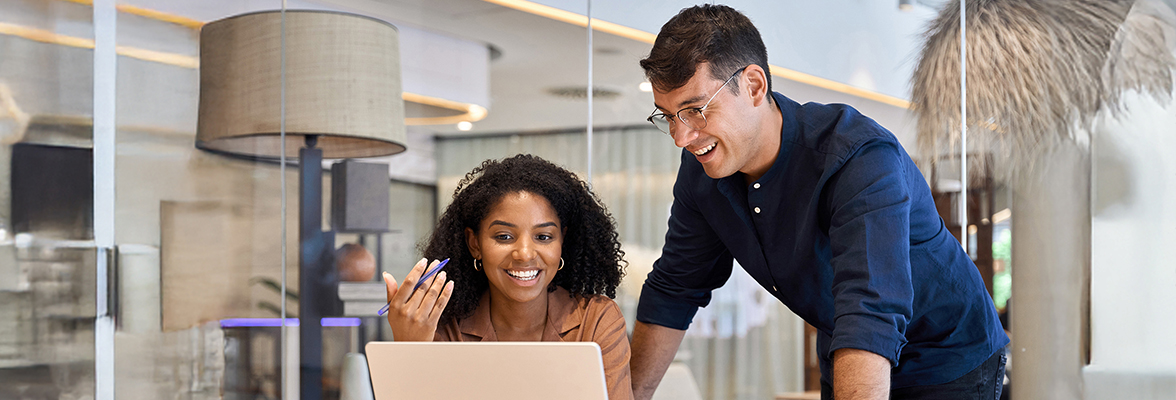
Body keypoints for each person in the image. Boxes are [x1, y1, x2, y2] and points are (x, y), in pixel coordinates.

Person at [630, 5, 1008, 400]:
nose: (681, 137)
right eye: (669, 116)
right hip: (845, 345)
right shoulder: (703, 173)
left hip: (945, 353)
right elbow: (675, 288)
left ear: (755, 86)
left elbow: (869, 311)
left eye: (695, 110)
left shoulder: (857, 157)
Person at [382, 154, 633, 400]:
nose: (524, 254)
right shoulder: (445, 327)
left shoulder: (597, 320)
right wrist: (410, 349)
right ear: (475, 244)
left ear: (562, 243)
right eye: (504, 236)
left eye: (543, 237)